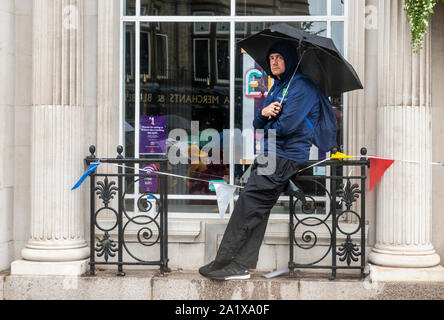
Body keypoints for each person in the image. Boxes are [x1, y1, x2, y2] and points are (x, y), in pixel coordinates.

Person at [199, 40, 321, 280]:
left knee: (247, 205)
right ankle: (241, 266)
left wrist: (270, 119)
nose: (274, 62)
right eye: (271, 58)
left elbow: (285, 127)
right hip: (270, 154)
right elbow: (257, 124)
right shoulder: (278, 87)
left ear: (290, 60)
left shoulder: (302, 87)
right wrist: (264, 113)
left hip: (284, 156)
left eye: (279, 58)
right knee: (257, 210)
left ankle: (224, 261)